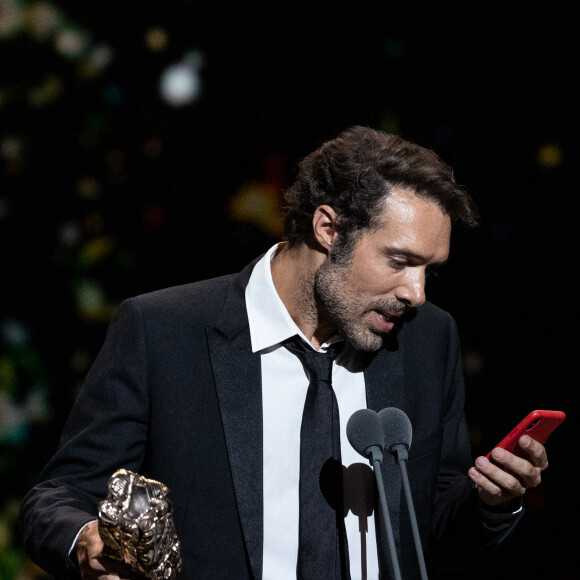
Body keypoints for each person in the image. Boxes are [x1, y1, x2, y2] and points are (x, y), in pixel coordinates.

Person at [20, 126, 549, 580]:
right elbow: (57, 497)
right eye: (399, 260)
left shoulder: (429, 339)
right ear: (328, 227)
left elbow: (431, 527)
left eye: (428, 269)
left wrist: (490, 504)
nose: (417, 292)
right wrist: (88, 538)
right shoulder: (163, 331)